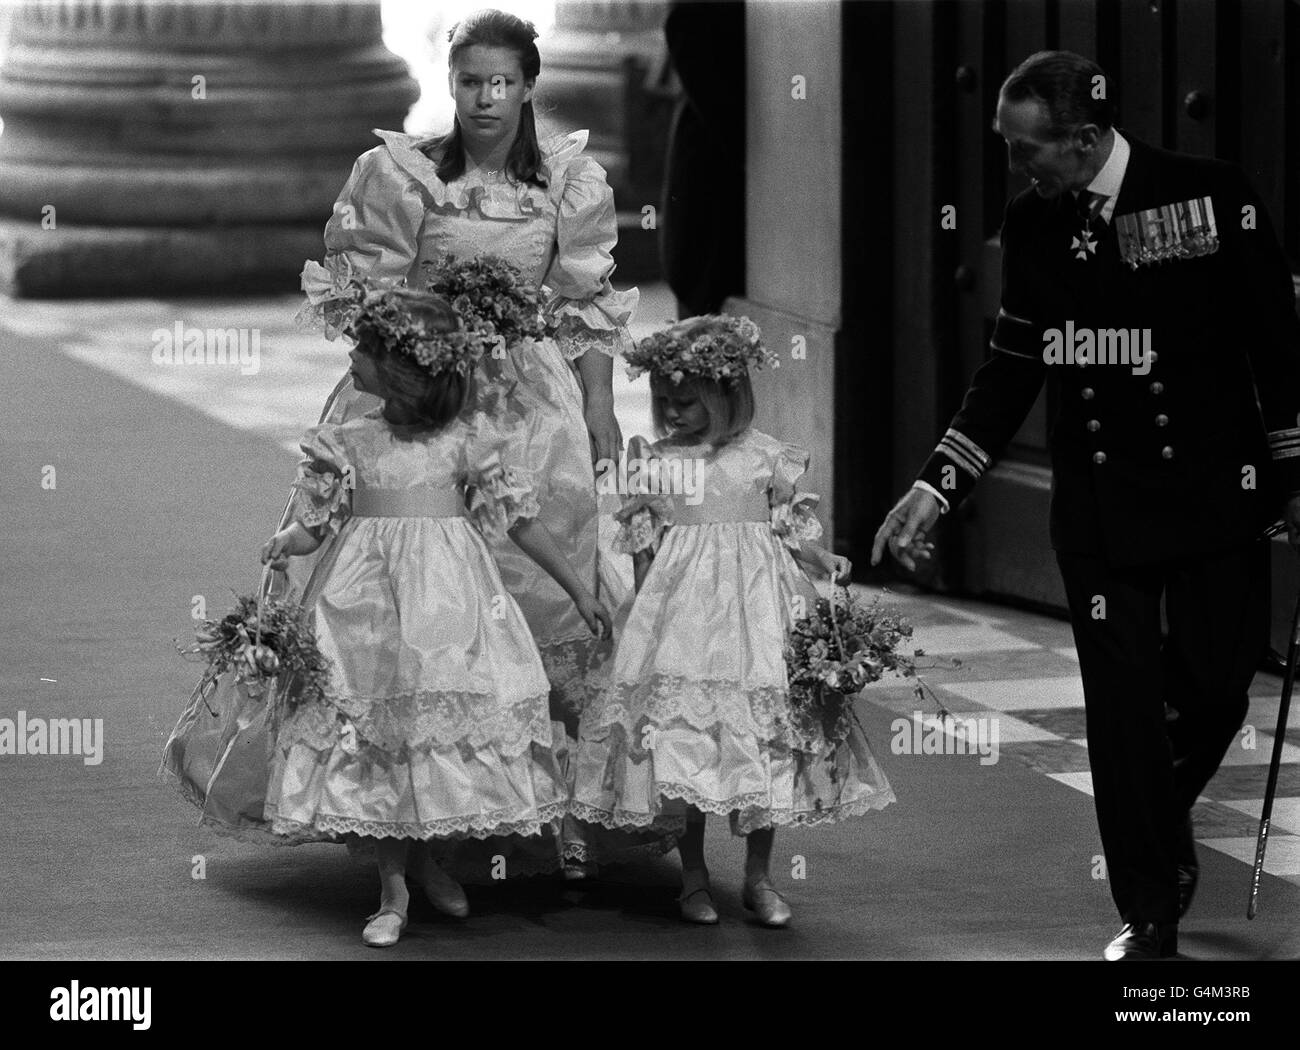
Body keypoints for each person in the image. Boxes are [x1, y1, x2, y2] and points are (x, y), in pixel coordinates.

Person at [871, 50, 1300, 960]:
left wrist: (1293, 469)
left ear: (1086, 137)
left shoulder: (1212, 196)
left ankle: (1154, 815)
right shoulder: (1034, 222)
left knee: (1219, 691)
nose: (1018, 167)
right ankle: (1149, 908)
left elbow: (1278, 342)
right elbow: (1014, 365)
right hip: (1103, 509)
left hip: (1217, 493)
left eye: (1029, 150)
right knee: (1121, 709)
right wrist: (936, 483)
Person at [296, 9, 656, 877]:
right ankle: (427, 800)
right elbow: (363, 300)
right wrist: (420, 345)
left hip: (533, 407)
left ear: (529, 85)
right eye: (470, 82)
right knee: (428, 600)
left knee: (542, 577)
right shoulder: (405, 175)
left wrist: (602, 407)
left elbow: (587, 306)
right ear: (450, 84)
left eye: (502, 82)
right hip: (431, 402)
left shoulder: (567, 183)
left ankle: (554, 800)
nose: (486, 98)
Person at [261, 286, 611, 946]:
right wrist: (289, 542)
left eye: (366, 348)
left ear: (408, 369)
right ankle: (392, 887)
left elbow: (522, 522)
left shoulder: (470, 444)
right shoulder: (349, 441)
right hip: (365, 603)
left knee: (432, 727)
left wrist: (577, 587)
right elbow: (316, 521)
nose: (353, 356)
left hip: (452, 598)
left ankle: (434, 861)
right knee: (381, 727)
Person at [571, 315, 897, 926]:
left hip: (757, 612)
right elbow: (643, 546)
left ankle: (759, 875)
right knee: (686, 738)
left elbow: (789, 529)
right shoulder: (655, 463)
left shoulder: (765, 458)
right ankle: (692, 875)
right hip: (684, 617)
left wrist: (821, 557)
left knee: (765, 735)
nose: (673, 413)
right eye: (664, 402)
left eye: (687, 401)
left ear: (727, 395)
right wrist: (645, 610)